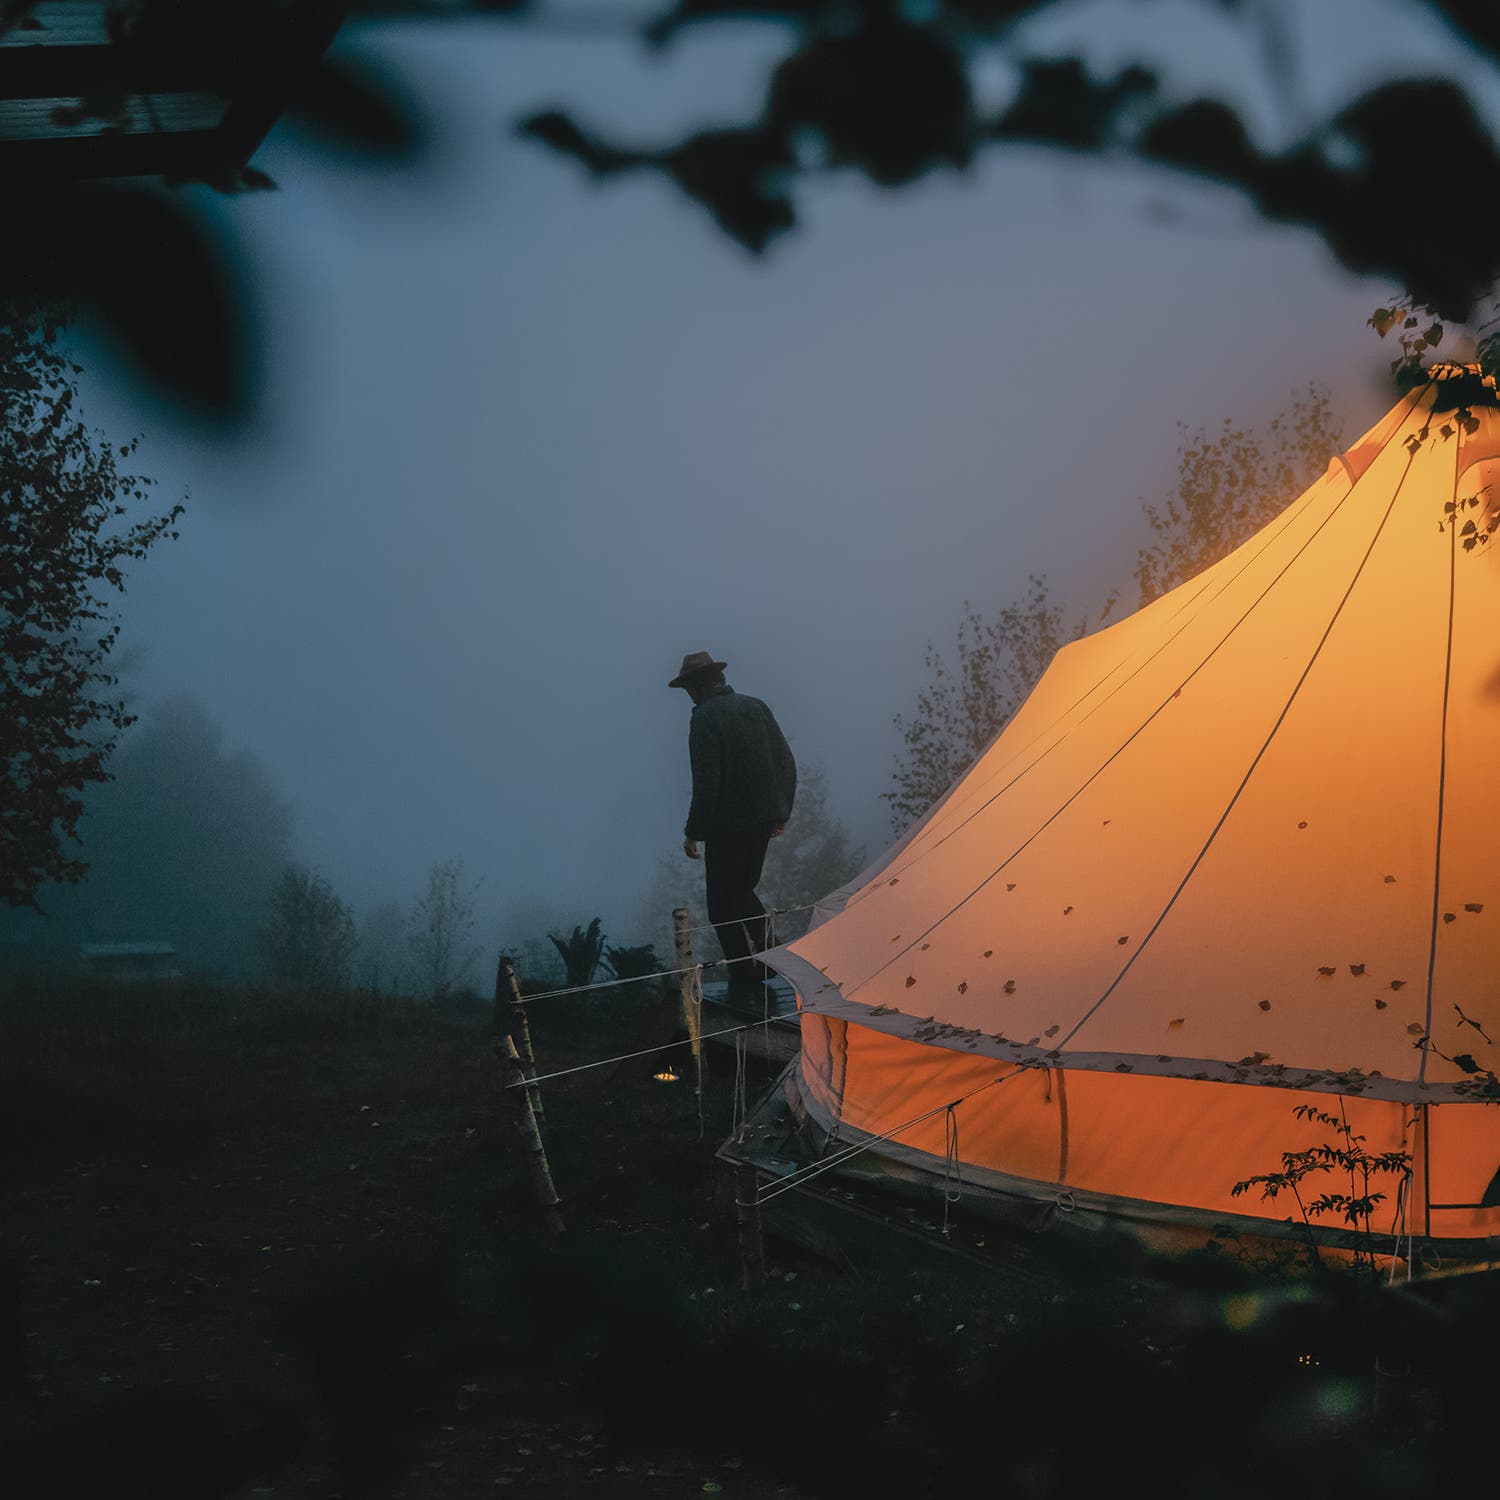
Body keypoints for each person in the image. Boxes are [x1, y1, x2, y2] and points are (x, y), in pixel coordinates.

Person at [670, 650, 796, 1004]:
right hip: (762, 821)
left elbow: (707, 782)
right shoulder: (756, 706)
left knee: (722, 904)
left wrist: (693, 831)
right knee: (741, 892)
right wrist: (781, 812)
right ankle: (770, 959)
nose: (688, 696)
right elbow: (786, 762)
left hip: (726, 827)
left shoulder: (704, 719)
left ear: (697, 686)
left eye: (688, 688)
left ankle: (750, 972)